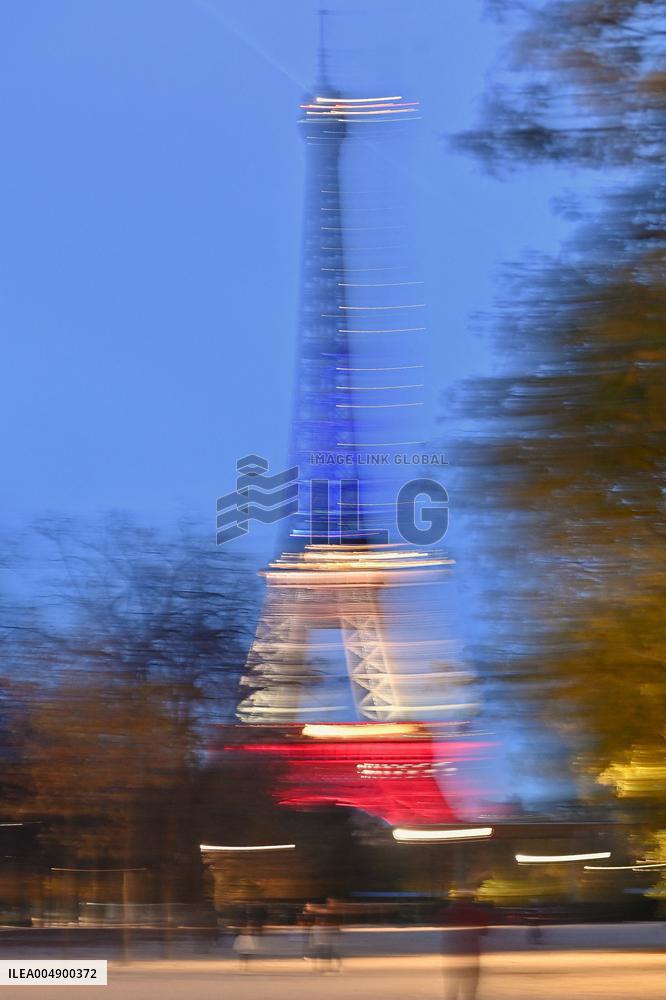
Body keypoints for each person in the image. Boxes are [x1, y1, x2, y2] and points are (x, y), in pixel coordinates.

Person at [441, 892, 489, 1000]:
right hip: (471, 953)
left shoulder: (447, 912)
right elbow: (485, 931)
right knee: (470, 986)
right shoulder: (477, 913)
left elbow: (441, 924)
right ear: (470, 900)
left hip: (451, 954)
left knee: (451, 985)